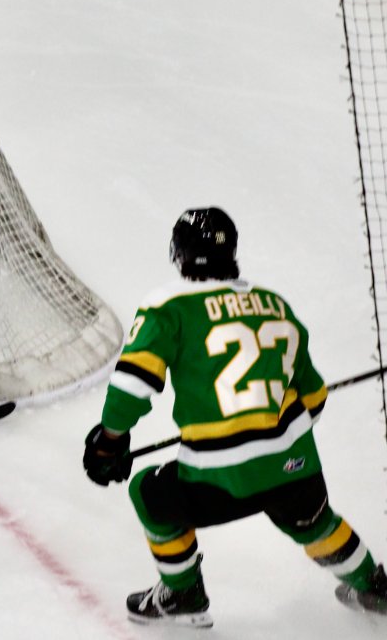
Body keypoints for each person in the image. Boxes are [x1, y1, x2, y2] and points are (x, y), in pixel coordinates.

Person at [82, 207, 387, 627]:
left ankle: (184, 592)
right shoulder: (274, 305)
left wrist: (109, 440)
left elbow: (133, 385)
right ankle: (374, 586)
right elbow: (314, 398)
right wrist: (266, 428)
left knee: (148, 495)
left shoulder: (167, 305)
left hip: (216, 481)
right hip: (295, 467)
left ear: (181, 254)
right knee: (314, 521)